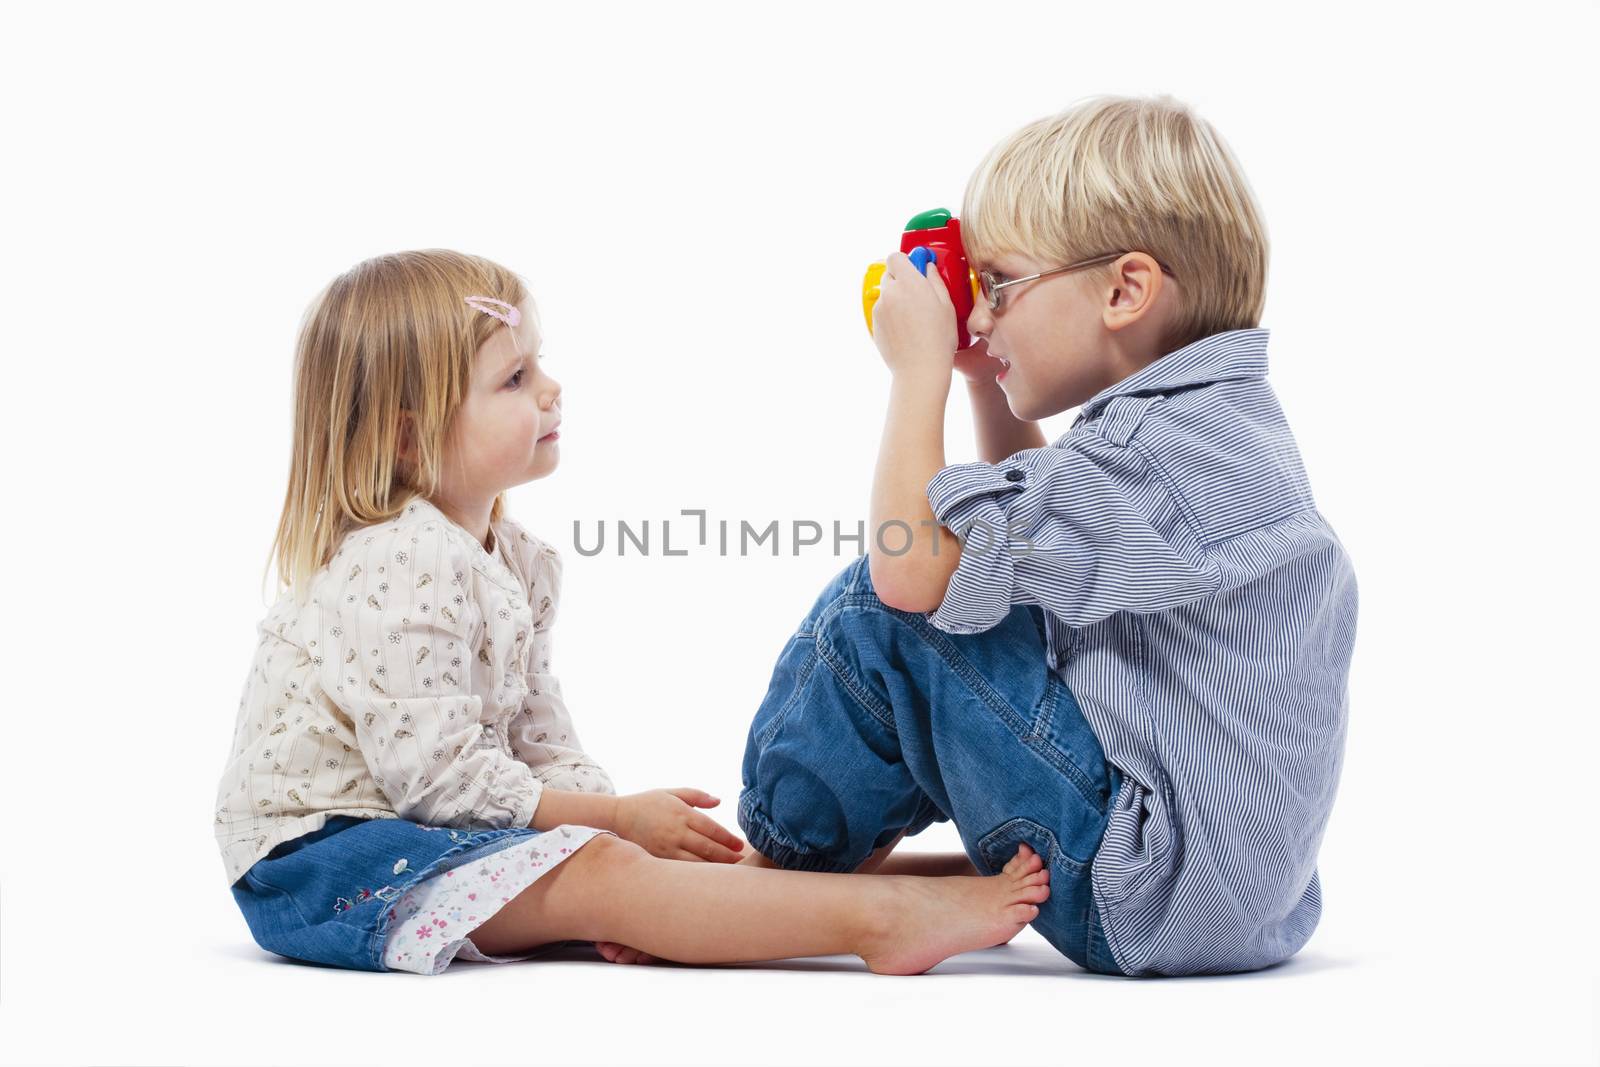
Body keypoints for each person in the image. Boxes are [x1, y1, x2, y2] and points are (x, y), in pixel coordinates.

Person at [213, 249, 1050, 975]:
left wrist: (616, 822)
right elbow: (438, 780)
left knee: (621, 867)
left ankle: (853, 891)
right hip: (326, 866)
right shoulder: (397, 558)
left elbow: (538, 736)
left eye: (536, 364)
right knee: (605, 874)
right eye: (513, 379)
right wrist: (611, 829)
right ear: (406, 439)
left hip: (425, 833)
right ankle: (880, 925)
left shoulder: (516, 560)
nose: (551, 388)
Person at [735, 94, 1359, 978]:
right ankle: (843, 856)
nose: (980, 318)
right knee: (990, 587)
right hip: (1240, 905)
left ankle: (781, 864)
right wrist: (988, 384)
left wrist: (918, 375)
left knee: (885, 610)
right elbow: (1031, 548)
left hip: (1136, 887)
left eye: (1000, 287)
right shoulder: (1214, 433)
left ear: (1124, 290)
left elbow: (914, 573)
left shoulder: (1145, 450)